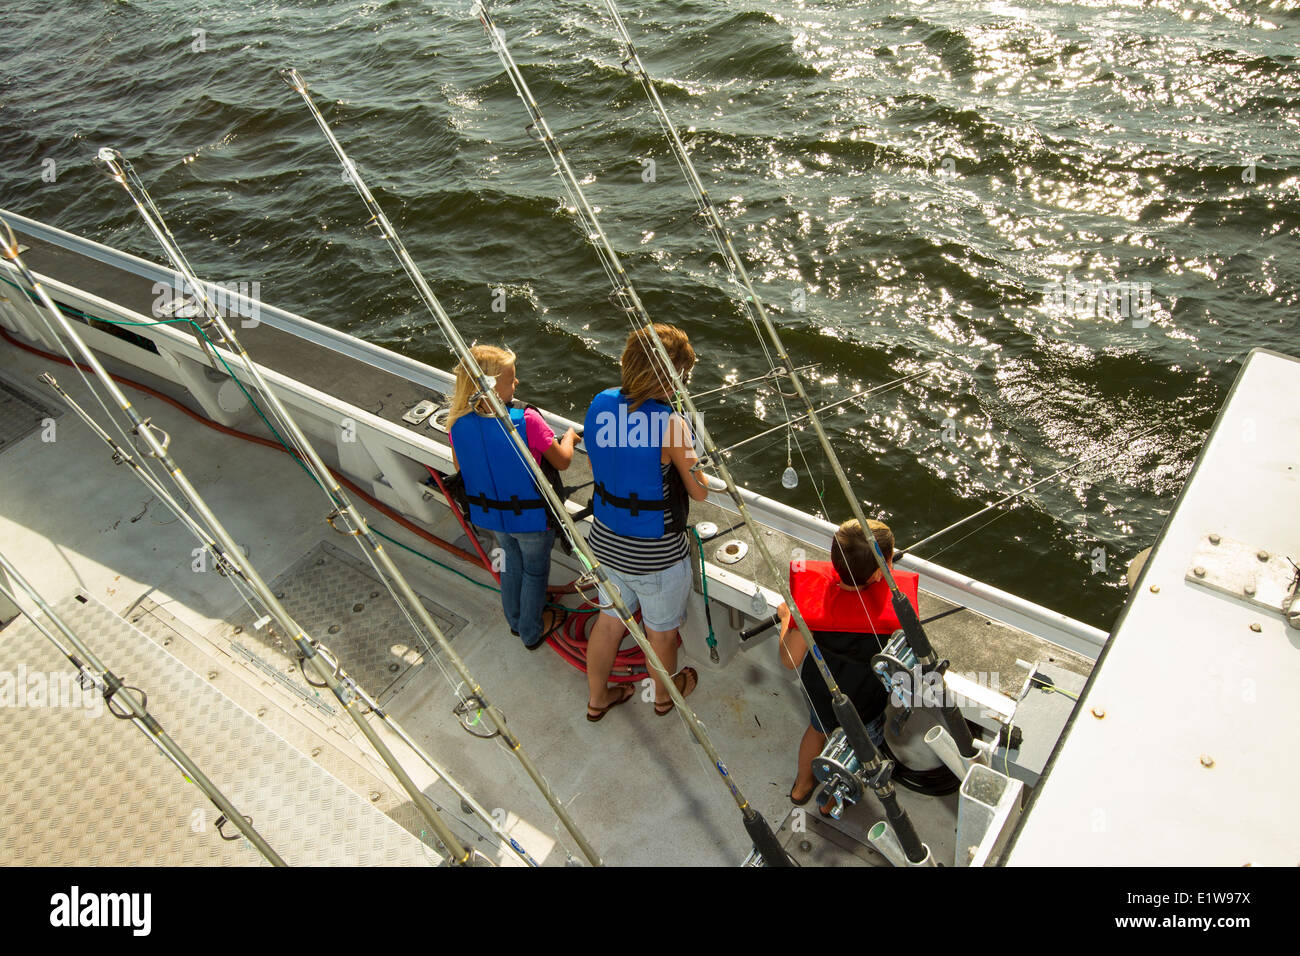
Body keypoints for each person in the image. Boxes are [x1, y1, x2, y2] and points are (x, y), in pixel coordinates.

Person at [581, 324, 712, 722]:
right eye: (682, 376)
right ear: (671, 376)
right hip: (656, 558)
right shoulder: (672, 424)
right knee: (661, 635)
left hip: (604, 543)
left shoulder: (599, 403)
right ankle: (663, 700)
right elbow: (699, 491)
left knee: (608, 624)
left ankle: (597, 699)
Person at [777, 517, 920, 808]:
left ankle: (802, 787)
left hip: (822, 693)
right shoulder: (896, 611)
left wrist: (785, 619)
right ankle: (831, 803)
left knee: (818, 731)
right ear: (885, 566)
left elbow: (789, 659)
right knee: (856, 754)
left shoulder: (810, 603)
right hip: (864, 705)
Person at [447, 345, 577, 649]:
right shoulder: (527, 421)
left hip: (493, 516)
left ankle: (515, 620)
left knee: (511, 565)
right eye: (511, 379)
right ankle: (530, 631)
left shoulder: (456, 423)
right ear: (489, 386)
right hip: (532, 519)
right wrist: (569, 437)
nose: (516, 384)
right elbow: (562, 461)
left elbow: (460, 467)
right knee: (534, 570)